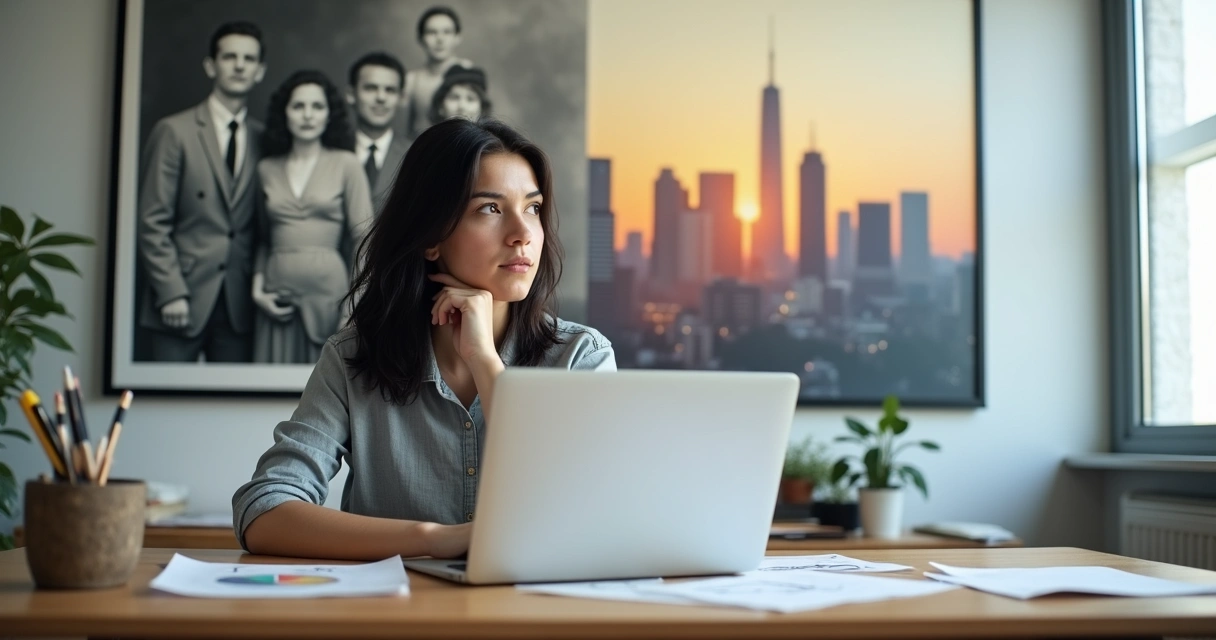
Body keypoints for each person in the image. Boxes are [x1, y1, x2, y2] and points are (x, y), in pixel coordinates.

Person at [232, 118, 615, 560]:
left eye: (531, 207)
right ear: (432, 237)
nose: (523, 234)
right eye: (490, 209)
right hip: (395, 622)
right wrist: (435, 540)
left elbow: (586, 513)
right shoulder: (354, 358)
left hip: (534, 624)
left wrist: (484, 361)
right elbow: (263, 511)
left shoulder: (581, 357)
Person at [136, 21, 266, 362]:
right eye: (230, 57)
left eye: (249, 59)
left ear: (260, 71)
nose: (239, 65)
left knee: (230, 412)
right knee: (163, 409)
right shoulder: (174, 131)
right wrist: (170, 292)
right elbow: (152, 220)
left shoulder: (264, 138)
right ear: (211, 65)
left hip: (239, 306)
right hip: (182, 297)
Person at [251, 70, 373, 364]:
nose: (308, 115)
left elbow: (364, 239)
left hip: (330, 300)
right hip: (274, 298)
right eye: (298, 106)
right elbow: (261, 237)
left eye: (317, 107)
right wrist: (257, 290)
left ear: (329, 114)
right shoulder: (266, 168)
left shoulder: (347, 164)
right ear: (285, 113)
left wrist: (352, 306)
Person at [346, 51, 411, 213]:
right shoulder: (333, 150)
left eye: (390, 90)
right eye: (370, 88)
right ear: (351, 95)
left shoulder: (416, 155)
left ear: (402, 98)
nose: (381, 97)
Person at [404, 5, 473, 136]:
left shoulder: (468, 72)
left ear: (457, 37)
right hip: (423, 150)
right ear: (420, 38)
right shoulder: (411, 80)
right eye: (432, 32)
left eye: (447, 32)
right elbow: (406, 129)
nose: (440, 39)